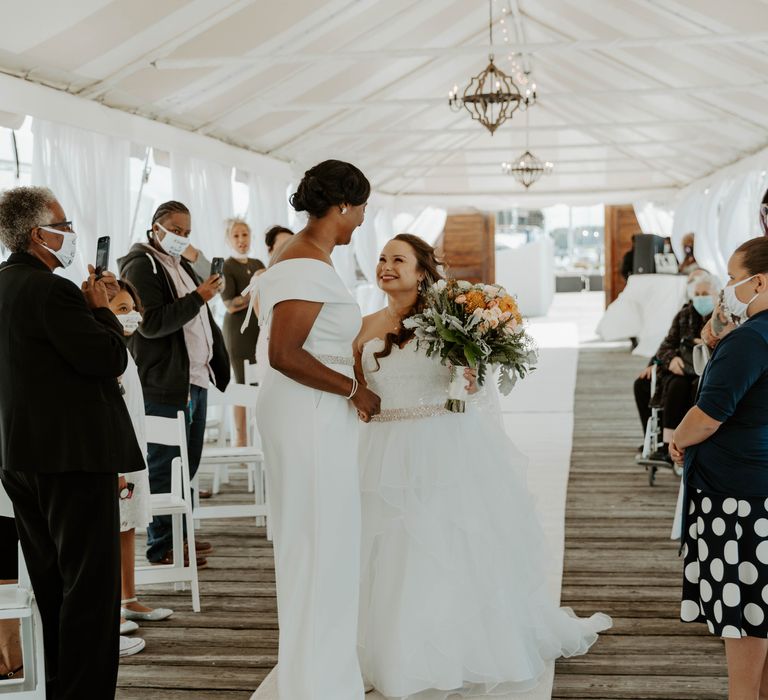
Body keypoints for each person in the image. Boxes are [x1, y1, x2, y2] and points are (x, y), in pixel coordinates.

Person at [355, 234, 611, 698]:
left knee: (441, 544)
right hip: (384, 448)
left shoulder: (446, 321)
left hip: (441, 444)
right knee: (389, 547)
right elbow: (358, 390)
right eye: (381, 258)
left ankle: (451, 648)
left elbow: (470, 387)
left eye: (398, 259)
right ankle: (395, 650)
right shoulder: (363, 325)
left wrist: (470, 377)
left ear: (421, 271)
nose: (386, 266)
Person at [0, 186, 145, 699]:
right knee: (89, 589)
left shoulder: (3, 284)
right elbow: (107, 359)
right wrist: (101, 308)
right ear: (38, 234)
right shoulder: (53, 291)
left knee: (52, 583)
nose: (71, 234)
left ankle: (62, 686)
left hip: (20, 457)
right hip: (74, 457)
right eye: (63, 225)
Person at [251, 161, 381, 700]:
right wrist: (355, 390)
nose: (362, 222)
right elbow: (284, 354)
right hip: (308, 416)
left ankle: (321, 668)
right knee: (319, 541)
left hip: (313, 412)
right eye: (363, 210)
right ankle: (316, 681)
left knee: (323, 541)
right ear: (345, 206)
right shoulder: (303, 261)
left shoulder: (307, 257)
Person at [670, 236, 768, 699]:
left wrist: (678, 439)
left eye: (732, 278)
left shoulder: (752, 339)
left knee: (745, 618)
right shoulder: (746, 333)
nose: (727, 286)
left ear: (759, 281)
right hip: (759, 487)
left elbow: (709, 414)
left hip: (739, 500)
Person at [118, 201, 231, 567]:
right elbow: (150, 323)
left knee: (188, 465)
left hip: (195, 379)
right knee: (166, 465)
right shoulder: (141, 264)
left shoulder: (178, 263)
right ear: (155, 228)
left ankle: (182, 535)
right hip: (165, 382)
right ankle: (162, 545)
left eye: (186, 232)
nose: (181, 237)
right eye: (175, 230)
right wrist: (200, 297)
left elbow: (196, 317)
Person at [108, 280, 174, 646]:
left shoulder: (126, 348)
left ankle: (128, 597)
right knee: (110, 528)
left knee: (128, 524)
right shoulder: (105, 351)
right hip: (116, 454)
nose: (130, 315)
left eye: (132, 307)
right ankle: (111, 609)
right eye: (120, 309)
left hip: (134, 450)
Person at [633, 273, 719, 462]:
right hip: (680, 369)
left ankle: (681, 442)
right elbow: (666, 345)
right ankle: (664, 443)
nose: (701, 297)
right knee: (655, 384)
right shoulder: (684, 315)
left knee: (690, 387)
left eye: (705, 293)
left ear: (716, 295)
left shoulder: (721, 318)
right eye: (697, 293)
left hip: (708, 370)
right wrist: (669, 360)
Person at [221, 219, 265, 444]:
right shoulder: (227, 266)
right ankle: (240, 439)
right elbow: (229, 303)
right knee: (241, 381)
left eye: (245, 234)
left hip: (258, 328)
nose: (241, 240)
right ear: (229, 239)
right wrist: (255, 291)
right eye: (236, 236)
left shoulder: (258, 263)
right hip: (237, 330)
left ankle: (260, 437)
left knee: (260, 380)